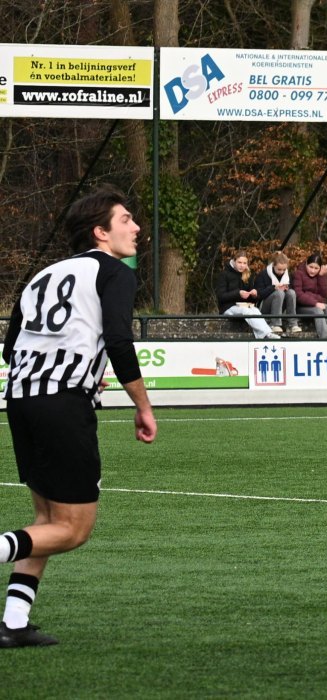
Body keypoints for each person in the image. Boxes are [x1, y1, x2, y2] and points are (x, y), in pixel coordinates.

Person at [1, 188, 158, 648]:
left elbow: (12, 348)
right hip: (62, 404)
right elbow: (118, 339)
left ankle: (12, 622)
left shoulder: (42, 275)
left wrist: (78, 370)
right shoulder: (114, 272)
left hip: (22, 399)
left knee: (45, 522)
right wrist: (143, 406)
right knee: (73, 530)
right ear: (100, 232)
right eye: (126, 219)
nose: (136, 227)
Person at [215, 254, 278, 339]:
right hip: (227, 308)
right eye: (239, 262)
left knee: (255, 310)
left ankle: (267, 334)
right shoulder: (224, 274)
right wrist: (238, 293)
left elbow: (252, 300)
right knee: (246, 311)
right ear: (234, 262)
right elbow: (221, 296)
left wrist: (254, 294)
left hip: (245, 306)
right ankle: (267, 334)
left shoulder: (248, 275)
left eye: (244, 263)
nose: (242, 265)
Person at [294, 254, 327, 339]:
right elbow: (299, 295)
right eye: (311, 267)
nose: (313, 271)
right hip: (301, 307)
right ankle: (326, 338)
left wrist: (322, 276)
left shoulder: (319, 275)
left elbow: (324, 295)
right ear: (306, 264)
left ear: (320, 268)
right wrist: (315, 302)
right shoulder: (298, 274)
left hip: (316, 304)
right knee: (317, 311)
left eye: (316, 268)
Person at [258, 252, 298, 334]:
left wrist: (286, 288)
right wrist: (273, 288)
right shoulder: (263, 274)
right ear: (273, 265)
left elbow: (291, 292)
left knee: (291, 292)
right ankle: (275, 324)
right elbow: (259, 294)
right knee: (279, 293)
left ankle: (293, 324)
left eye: (284, 270)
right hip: (265, 307)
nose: (281, 272)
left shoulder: (287, 275)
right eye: (279, 269)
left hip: (281, 305)